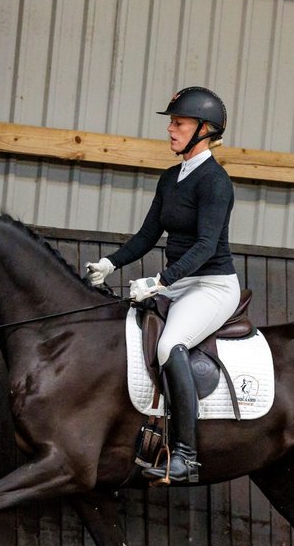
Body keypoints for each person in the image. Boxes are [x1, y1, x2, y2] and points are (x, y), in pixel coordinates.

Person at [85, 86, 240, 485]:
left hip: (212, 286)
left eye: (179, 123)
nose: (170, 130)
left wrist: (159, 281)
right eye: (171, 123)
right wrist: (110, 262)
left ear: (204, 130)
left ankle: (187, 457)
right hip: (179, 284)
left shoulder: (215, 182)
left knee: (172, 345)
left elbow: (206, 247)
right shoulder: (171, 178)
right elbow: (147, 235)